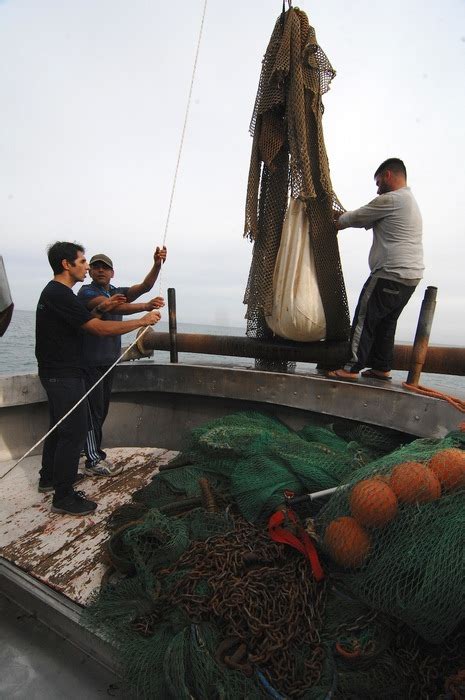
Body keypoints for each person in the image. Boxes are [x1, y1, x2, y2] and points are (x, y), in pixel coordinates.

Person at [35, 241, 161, 516]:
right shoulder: (62, 293)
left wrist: (109, 306)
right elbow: (99, 328)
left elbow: (90, 316)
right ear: (66, 265)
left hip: (59, 372)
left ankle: (49, 479)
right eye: (82, 262)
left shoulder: (58, 294)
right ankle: (64, 496)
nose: (87, 267)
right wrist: (142, 320)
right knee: (75, 430)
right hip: (64, 374)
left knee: (60, 427)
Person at [327, 157, 424, 381]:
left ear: (388, 175)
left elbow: (360, 216)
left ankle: (351, 368)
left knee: (364, 318)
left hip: (390, 273)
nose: (378, 189)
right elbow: (368, 219)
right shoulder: (408, 201)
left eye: (379, 182)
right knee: (386, 323)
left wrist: (338, 222)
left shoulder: (393, 199)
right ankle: (382, 367)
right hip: (410, 278)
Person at [77, 247, 166, 476]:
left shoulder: (117, 291)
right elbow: (113, 306)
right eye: (95, 267)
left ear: (112, 273)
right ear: (90, 272)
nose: (100, 270)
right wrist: (146, 308)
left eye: (105, 268)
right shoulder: (87, 292)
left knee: (101, 410)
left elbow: (144, 287)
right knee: (93, 412)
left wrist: (156, 264)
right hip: (89, 364)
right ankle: (93, 459)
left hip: (109, 364)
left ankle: (86, 449)